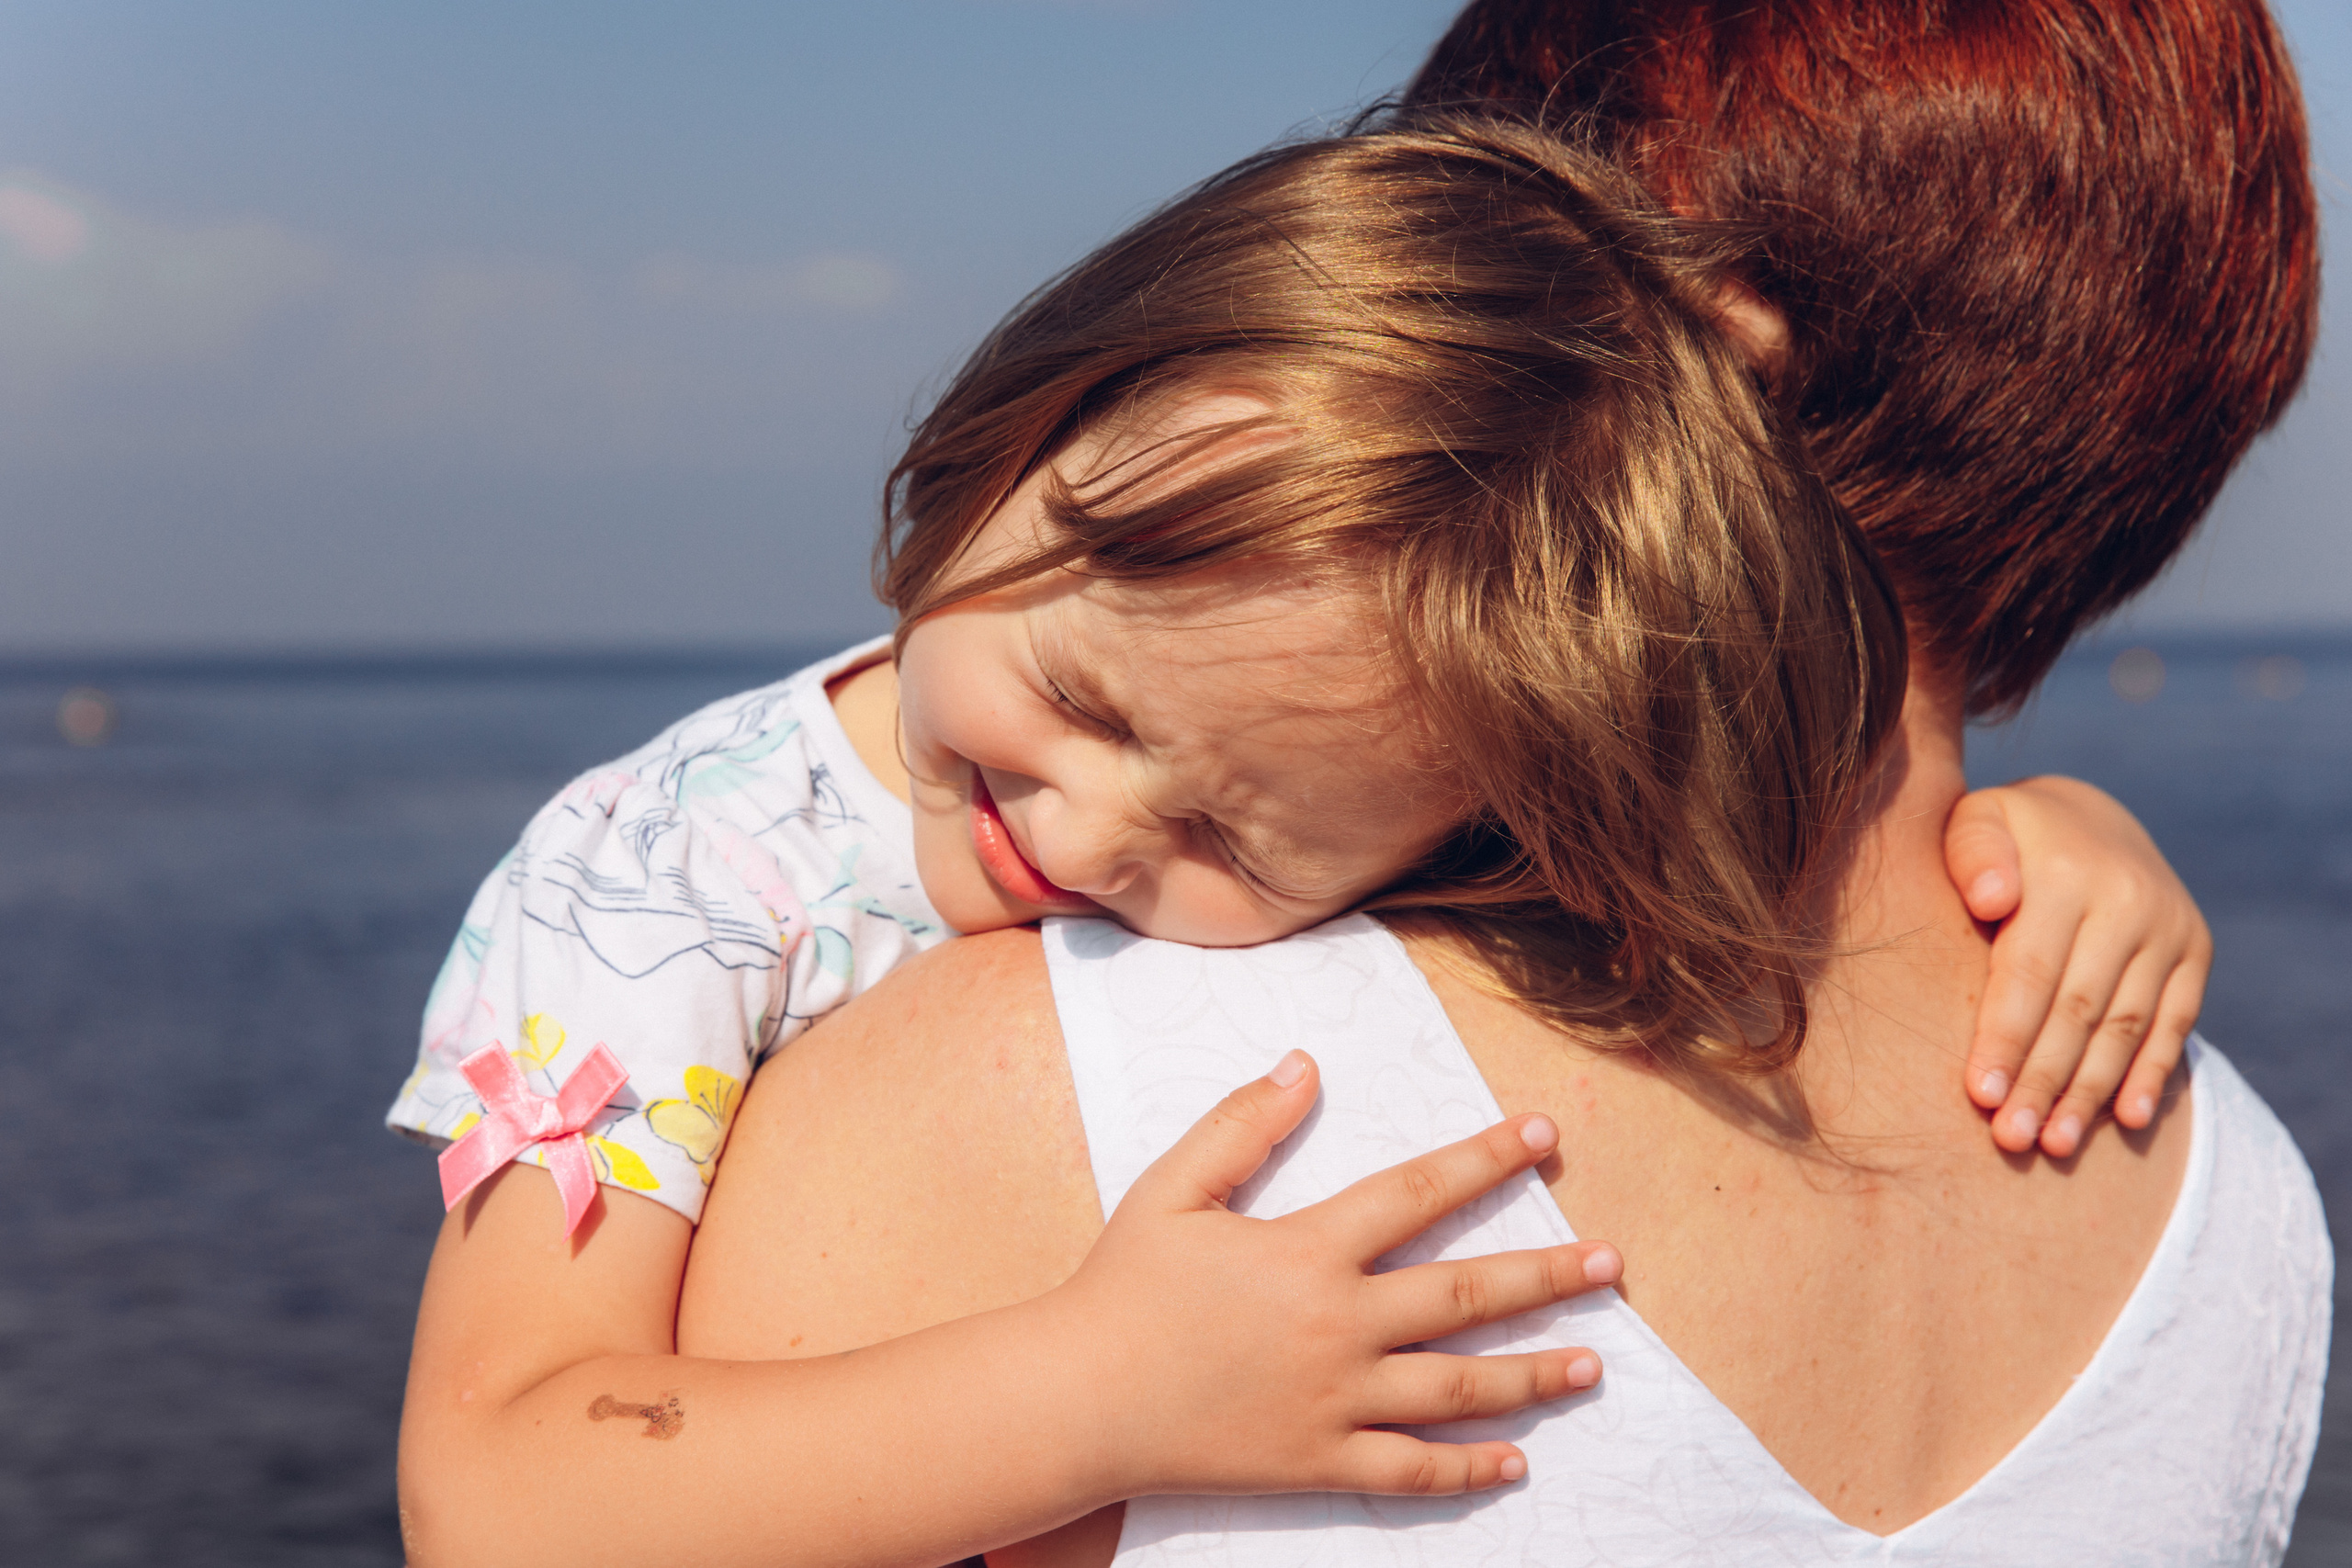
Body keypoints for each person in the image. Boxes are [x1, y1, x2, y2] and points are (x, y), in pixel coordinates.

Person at [392, 114, 2212, 1568]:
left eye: (1235, 845)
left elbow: (1741, 846)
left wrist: (2036, 839)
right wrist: (1098, 1394)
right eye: (1084, 700)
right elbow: (496, 1486)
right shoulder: (665, 884)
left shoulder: (1402, 800)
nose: (1090, 832)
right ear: (1024, 428)